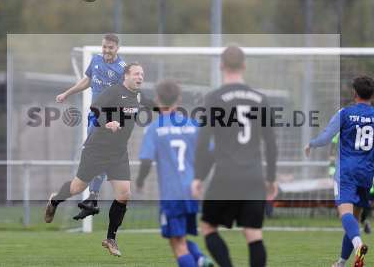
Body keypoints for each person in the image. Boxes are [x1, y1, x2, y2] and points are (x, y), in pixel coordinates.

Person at [45, 63, 150, 257]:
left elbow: (152, 106)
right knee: (77, 188)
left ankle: (111, 238)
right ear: (126, 76)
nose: (140, 77)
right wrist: (107, 122)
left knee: (124, 194)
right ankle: (55, 199)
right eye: (136, 74)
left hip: (118, 153)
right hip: (97, 150)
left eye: (142, 74)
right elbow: (95, 109)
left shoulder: (139, 96)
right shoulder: (114, 91)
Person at [191, 46, 278, 267]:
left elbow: (203, 143)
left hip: (226, 176)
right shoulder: (260, 99)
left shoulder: (214, 98)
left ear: (221, 66)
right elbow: (270, 143)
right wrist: (271, 178)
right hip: (253, 176)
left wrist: (198, 176)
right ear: (244, 66)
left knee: (208, 227)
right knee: (253, 234)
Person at [136, 80, 214, 267]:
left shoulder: (154, 129)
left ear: (156, 99)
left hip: (172, 194)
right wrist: (199, 179)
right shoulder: (193, 125)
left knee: (177, 244)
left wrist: (139, 181)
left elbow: (146, 160)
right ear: (179, 99)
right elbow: (211, 153)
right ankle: (201, 260)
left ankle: (198, 261)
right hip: (191, 192)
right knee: (178, 238)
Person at [305, 76, 374, 267]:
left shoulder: (345, 113)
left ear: (354, 93)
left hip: (346, 173)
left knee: (345, 214)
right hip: (366, 173)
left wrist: (312, 143)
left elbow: (327, 137)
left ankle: (359, 245)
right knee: (354, 219)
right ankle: (342, 262)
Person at [55, 33, 126, 219]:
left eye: (110, 47)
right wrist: (67, 93)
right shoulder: (95, 60)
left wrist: (119, 119)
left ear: (117, 48)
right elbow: (87, 81)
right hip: (95, 116)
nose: (107, 50)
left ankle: (93, 196)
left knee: (100, 155)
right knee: (93, 154)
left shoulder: (122, 69)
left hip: (110, 119)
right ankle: (92, 197)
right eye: (104, 47)